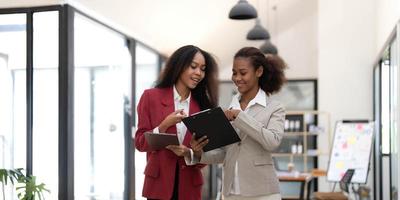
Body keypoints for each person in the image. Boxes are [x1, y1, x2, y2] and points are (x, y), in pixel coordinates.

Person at [190, 47, 287, 200]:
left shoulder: (275, 107)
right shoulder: (230, 106)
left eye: (243, 73)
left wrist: (240, 117)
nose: (237, 78)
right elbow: (225, 154)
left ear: (259, 72)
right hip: (230, 192)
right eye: (234, 73)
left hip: (263, 192)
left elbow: (272, 142)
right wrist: (199, 153)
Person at [135, 45, 219, 200]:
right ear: (179, 65)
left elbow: (205, 159)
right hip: (158, 186)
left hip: (189, 188)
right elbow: (140, 143)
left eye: (202, 69)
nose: (198, 73)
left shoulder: (204, 107)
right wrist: (164, 125)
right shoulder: (150, 97)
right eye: (193, 66)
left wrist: (191, 153)